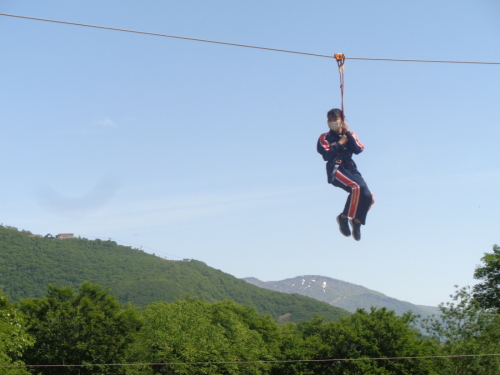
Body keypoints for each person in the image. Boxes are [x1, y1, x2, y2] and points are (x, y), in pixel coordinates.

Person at [317, 108, 374, 241]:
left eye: (334, 120)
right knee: (356, 188)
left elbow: (358, 149)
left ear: (342, 120)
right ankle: (343, 218)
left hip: (351, 168)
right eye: (329, 120)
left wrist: (347, 134)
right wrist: (339, 143)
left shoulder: (350, 134)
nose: (331, 122)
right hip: (336, 168)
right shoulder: (324, 137)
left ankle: (357, 221)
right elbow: (326, 154)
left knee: (368, 196)